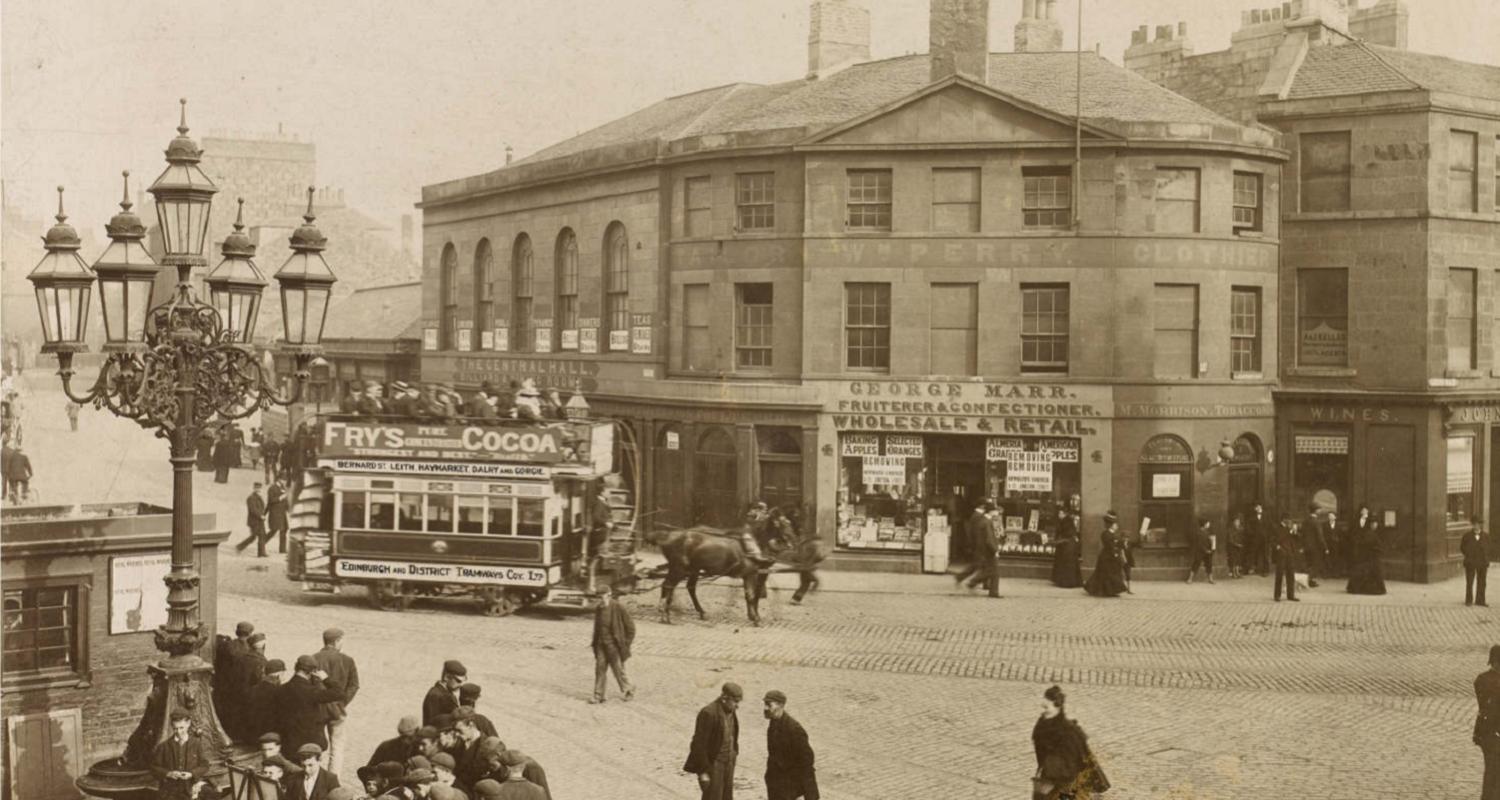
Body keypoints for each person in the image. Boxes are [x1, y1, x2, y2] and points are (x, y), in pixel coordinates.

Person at [1031, 685, 1109, 800]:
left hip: (1064, 783)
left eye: (1047, 708)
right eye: (1043, 707)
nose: (1044, 712)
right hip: (1047, 779)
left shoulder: (1069, 732)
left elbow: (1080, 759)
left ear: (1057, 707)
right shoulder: (1042, 725)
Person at [312, 627, 360, 774]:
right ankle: (333, 780)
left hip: (317, 710)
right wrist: (342, 701)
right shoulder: (347, 660)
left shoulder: (314, 658)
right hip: (338, 710)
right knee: (337, 748)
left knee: (316, 746)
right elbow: (354, 685)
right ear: (337, 641)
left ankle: (314, 777)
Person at [277, 654, 346, 753]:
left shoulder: (282, 689)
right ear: (312, 672)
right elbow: (339, 693)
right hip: (310, 743)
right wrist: (326, 678)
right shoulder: (311, 692)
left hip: (289, 742)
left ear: (296, 668)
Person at [684, 682, 743, 800]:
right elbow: (698, 745)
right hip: (714, 765)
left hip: (729, 763)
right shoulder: (708, 713)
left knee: (727, 797)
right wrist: (703, 772)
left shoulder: (731, 711)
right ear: (724, 698)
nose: (737, 706)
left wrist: (734, 752)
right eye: (735, 701)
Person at [762, 690, 818, 800]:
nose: (765, 708)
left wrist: (811, 795)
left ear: (781, 705)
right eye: (765, 704)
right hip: (775, 781)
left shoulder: (794, 729)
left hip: (788, 783)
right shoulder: (774, 722)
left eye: (769, 704)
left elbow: (806, 761)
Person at [590, 585, 636, 704]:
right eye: (598, 597)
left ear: (609, 595)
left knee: (618, 670)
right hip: (601, 644)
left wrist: (625, 644)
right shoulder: (599, 609)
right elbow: (597, 628)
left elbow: (631, 628)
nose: (601, 599)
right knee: (600, 669)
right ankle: (598, 695)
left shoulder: (618, 607)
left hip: (614, 645)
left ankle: (629, 689)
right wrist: (595, 643)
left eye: (602, 596)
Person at [150, 710, 211, 800]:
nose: (178, 732)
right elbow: (154, 768)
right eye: (175, 728)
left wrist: (191, 774)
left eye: (181, 728)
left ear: (188, 723)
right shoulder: (163, 746)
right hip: (170, 792)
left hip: (191, 789)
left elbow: (205, 765)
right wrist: (168, 773)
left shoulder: (196, 744)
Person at [1084, 511, 1128, 598]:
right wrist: (1115, 552)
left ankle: (1110, 590)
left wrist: (1123, 544)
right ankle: (1104, 590)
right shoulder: (1105, 534)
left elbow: (1117, 544)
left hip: (1111, 557)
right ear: (1111, 525)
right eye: (1115, 524)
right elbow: (1109, 545)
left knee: (1109, 574)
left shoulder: (1113, 534)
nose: (1117, 526)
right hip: (1106, 557)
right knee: (1105, 574)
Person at [1476, 645, 1500, 800]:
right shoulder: (1488, 681)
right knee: (1493, 771)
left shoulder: (1481, 679)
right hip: (1493, 733)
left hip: (1486, 732)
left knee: (1491, 770)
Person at [1347, 506, 1387, 596]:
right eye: (1373, 524)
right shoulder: (1370, 534)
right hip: (1370, 558)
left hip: (1367, 557)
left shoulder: (1370, 533)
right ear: (1371, 524)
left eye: (1376, 523)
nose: (1375, 525)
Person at [965, 502, 1002, 598]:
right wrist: (995, 550)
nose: (997, 513)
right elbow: (989, 539)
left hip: (984, 550)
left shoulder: (984, 520)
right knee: (993, 571)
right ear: (991, 511)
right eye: (996, 510)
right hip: (988, 551)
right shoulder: (987, 522)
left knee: (991, 570)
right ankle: (992, 591)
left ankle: (975, 584)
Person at [246, 661, 287, 742]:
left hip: (254, 735)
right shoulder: (280, 691)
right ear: (279, 674)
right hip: (273, 736)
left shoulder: (252, 690)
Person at [954, 500, 993, 587]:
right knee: (980, 565)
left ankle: (965, 579)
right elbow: (976, 532)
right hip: (979, 544)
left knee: (978, 565)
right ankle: (971, 581)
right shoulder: (978, 516)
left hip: (978, 544)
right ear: (982, 506)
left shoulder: (977, 515)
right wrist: (976, 544)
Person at [1050, 496, 1083, 589]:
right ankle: (1067, 581)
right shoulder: (1065, 521)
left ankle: (1066, 582)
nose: (1059, 515)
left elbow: (1067, 533)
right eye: (1059, 513)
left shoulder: (1066, 521)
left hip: (1067, 546)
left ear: (1064, 514)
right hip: (1066, 545)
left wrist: (1058, 539)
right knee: (1067, 563)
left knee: (1066, 563)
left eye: (1060, 513)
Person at [424, 660, 467, 726]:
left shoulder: (448, 693)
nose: (460, 685)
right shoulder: (434, 695)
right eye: (458, 681)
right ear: (446, 677)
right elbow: (432, 723)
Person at [236, 483, 269, 556]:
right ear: (254, 489)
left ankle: (261, 553)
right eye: (257, 489)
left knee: (261, 536)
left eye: (260, 489)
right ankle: (239, 547)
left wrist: (263, 515)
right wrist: (260, 516)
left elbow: (261, 508)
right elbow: (252, 510)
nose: (259, 490)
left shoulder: (259, 498)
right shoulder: (251, 498)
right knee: (254, 536)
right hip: (254, 521)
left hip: (259, 520)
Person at [1272, 515, 1300, 602]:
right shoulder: (1277, 528)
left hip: (1290, 554)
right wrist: (1279, 548)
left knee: (1291, 575)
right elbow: (1276, 540)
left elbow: (1297, 539)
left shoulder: (1289, 529)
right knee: (1279, 575)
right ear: (1284, 520)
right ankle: (1277, 595)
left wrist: (1295, 532)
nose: (1290, 522)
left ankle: (1290, 595)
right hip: (1281, 554)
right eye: (1288, 520)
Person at [1464, 518, 1491, 607]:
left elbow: (1489, 548)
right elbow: (1462, 547)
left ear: (1481, 525)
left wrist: (1486, 559)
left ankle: (1480, 600)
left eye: (1478, 524)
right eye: (1475, 524)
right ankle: (1469, 600)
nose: (1476, 526)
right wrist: (1469, 555)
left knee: (1482, 582)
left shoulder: (1486, 536)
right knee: (1470, 581)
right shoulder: (1467, 536)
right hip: (1471, 562)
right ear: (1472, 525)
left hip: (1482, 562)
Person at [1301, 504, 1329, 588]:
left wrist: (1302, 546)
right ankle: (1309, 580)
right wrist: (1325, 547)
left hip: (1306, 546)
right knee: (1314, 564)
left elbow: (1302, 534)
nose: (1320, 511)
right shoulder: (1316, 522)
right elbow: (1320, 536)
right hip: (1315, 547)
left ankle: (1309, 580)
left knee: (1308, 564)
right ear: (1316, 511)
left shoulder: (1305, 521)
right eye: (1319, 509)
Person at [1186, 516, 1215, 584]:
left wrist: (1211, 548)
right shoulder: (1199, 533)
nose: (1209, 524)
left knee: (1209, 565)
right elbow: (1199, 544)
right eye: (1208, 523)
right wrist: (1206, 550)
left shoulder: (1208, 532)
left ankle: (1210, 579)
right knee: (1196, 564)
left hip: (1207, 551)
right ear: (1204, 524)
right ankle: (1190, 579)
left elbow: (1209, 541)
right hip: (1200, 552)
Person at [1246, 502, 1272, 576]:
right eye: (1255, 507)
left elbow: (1270, 526)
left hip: (1265, 538)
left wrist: (1269, 536)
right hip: (1255, 538)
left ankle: (1266, 571)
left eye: (1258, 507)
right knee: (1253, 553)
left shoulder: (1267, 515)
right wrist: (1252, 534)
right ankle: (1252, 568)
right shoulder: (1252, 516)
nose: (1256, 508)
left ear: (1261, 507)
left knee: (1265, 554)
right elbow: (1248, 526)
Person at [267, 478, 290, 554]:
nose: (285, 481)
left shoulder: (283, 488)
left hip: (282, 513)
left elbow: (285, 500)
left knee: (284, 529)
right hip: (275, 512)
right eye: (284, 479)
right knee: (274, 530)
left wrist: (289, 509)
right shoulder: (272, 488)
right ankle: (262, 542)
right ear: (279, 479)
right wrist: (280, 498)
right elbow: (271, 500)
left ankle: (282, 549)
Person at [1226, 513, 1247, 579]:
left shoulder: (1240, 529)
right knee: (1233, 560)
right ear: (1233, 522)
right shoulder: (1230, 530)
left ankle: (1237, 572)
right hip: (1233, 547)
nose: (1237, 523)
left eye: (1238, 521)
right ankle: (1233, 572)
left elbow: (1242, 538)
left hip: (1239, 547)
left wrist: (1241, 544)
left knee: (1238, 560)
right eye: (1236, 521)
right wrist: (1236, 544)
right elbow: (1230, 539)